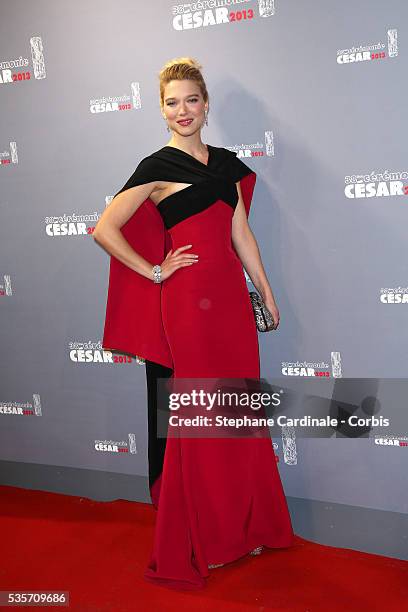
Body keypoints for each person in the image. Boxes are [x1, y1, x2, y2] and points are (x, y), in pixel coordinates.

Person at [93, 57, 294, 590]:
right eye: (172, 102)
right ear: (162, 111)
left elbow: (242, 236)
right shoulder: (156, 166)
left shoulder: (227, 165)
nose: (183, 110)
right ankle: (204, 536)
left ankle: (242, 528)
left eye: (192, 100)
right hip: (186, 304)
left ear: (206, 105)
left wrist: (266, 293)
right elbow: (105, 228)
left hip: (229, 302)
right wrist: (155, 271)